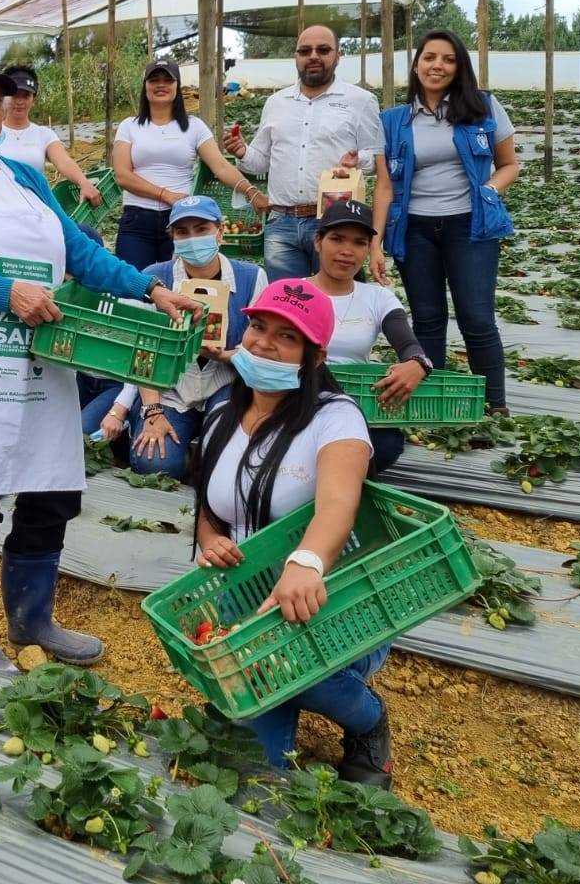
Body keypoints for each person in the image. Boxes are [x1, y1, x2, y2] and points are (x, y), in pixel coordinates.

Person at [0, 60, 205, 671]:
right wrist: (6, 291)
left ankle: (32, 619)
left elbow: (79, 251)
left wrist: (150, 290)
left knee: (51, 485)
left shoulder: (25, 176)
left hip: (45, 357)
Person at [184, 277, 391, 787]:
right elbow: (210, 503)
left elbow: (338, 504)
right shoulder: (222, 412)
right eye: (258, 327)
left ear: (315, 357)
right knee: (251, 768)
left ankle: (368, 720)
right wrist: (210, 540)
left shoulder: (336, 419)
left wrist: (306, 563)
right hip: (246, 600)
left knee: (299, 674)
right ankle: (269, 695)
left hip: (331, 599)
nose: (263, 343)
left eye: (287, 336)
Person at [372, 30, 518, 415]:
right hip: (414, 229)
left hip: (470, 226)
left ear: (459, 68)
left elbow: (509, 165)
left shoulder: (484, 107)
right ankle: (430, 405)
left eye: (448, 59)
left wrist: (488, 190)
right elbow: (385, 186)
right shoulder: (393, 120)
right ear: (416, 64)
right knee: (427, 319)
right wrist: (375, 242)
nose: (437, 66)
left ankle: (494, 406)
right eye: (430, 57)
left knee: (477, 317)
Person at [81, 196, 266, 478]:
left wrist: (227, 355)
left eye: (201, 229)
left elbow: (260, 345)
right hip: (170, 388)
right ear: (173, 238)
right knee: (155, 464)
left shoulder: (251, 278)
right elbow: (141, 350)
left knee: (226, 458)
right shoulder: (156, 279)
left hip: (226, 383)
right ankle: (172, 445)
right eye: (182, 232)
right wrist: (152, 411)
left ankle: (205, 454)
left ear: (220, 232)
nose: (192, 239)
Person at [223, 25, 382, 282]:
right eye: (305, 51)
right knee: (287, 300)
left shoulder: (360, 101)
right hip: (281, 223)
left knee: (337, 297)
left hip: (333, 221)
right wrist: (243, 152)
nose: (313, 56)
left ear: (338, 56)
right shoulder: (276, 103)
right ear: (296, 57)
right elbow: (260, 163)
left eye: (323, 50)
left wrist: (358, 161)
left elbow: (376, 160)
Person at [308, 200, 432, 475]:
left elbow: (408, 344)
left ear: (368, 249)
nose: (347, 251)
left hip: (355, 402)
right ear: (318, 241)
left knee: (386, 445)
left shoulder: (377, 297)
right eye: (337, 239)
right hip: (299, 399)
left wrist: (417, 363)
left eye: (359, 243)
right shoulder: (293, 292)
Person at [114, 59, 269, 269]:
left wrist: (251, 191)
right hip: (137, 219)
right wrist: (165, 195)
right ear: (145, 86)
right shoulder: (129, 126)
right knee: (133, 282)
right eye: (154, 80)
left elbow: (221, 167)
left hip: (181, 220)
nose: (161, 84)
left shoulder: (194, 127)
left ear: (177, 86)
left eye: (168, 80)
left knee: (180, 283)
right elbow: (123, 175)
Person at [0, 64, 102, 210]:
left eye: (26, 95)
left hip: (38, 208)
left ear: (33, 100)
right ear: (4, 97)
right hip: (1, 208)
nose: (20, 101)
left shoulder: (43, 134)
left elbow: (63, 161)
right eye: (15, 94)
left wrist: (84, 183)